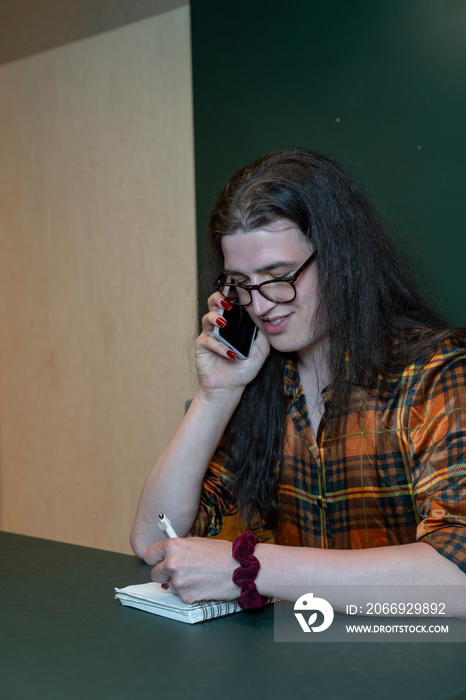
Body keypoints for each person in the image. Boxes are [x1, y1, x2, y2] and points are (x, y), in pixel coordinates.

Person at [131, 148, 466, 615]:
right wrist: (216, 394)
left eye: (278, 276)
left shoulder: (434, 372)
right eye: (241, 284)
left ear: (343, 260)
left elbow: (459, 574)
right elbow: (151, 539)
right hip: (301, 657)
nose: (261, 305)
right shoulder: (265, 384)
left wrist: (246, 568)